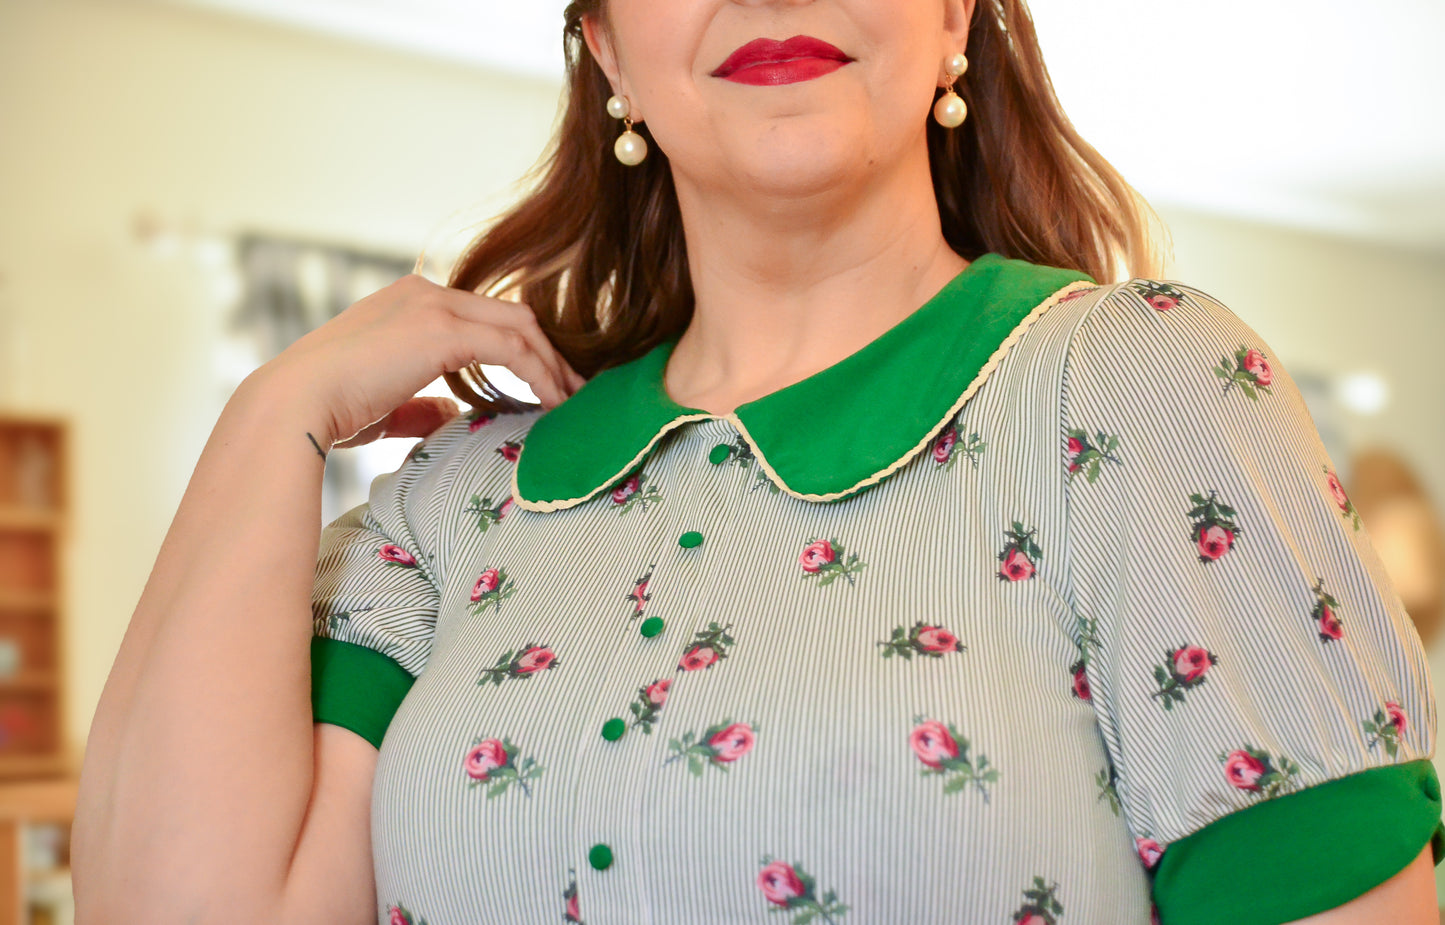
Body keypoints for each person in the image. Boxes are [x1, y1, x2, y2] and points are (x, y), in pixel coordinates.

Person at [71, 1, 1443, 923]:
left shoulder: (1137, 388)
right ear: (606, 48)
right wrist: (270, 417)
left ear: (954, 16)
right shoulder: (455, 503)